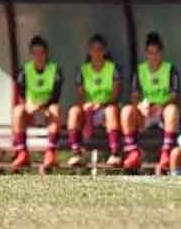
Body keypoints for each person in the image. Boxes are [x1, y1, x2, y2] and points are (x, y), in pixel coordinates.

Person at [119, 32, 181, 173]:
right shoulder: (139, 70)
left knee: (172, 110)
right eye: (150, 53)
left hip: (162, 112)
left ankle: (165, 154)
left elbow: (174, 95)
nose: (153, 57)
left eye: (156, 53)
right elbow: (134, 95)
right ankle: (133, 152)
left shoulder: (171, 69)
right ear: (146, 53)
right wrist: (140, 106)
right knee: (126, 110)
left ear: (161, 53)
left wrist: (160, 105)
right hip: (145, 112)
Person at [67, 34, 123, 168]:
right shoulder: (83, 70)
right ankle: (76, 154)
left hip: (106, 107)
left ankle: (115, 154)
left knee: (111, 110)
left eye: (100, 49)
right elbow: (80, 96)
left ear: (104, 51)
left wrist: (101, 104)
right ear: (89, 51)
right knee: (74, 111)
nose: (97, 53)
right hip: (89, 111)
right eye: (93, 49)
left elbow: (116, 94)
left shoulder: (112, 68)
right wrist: (86, 105)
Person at [11, 36, 63, 171]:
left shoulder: (55, 70)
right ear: (31, 54)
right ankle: (22, 152)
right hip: (31, 111)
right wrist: (29, 106)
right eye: (35, 53)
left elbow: (56, 95)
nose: (38, 56)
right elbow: (21, 94)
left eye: (41, 53)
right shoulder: (25, 70)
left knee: (56, 109)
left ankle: (50, 153)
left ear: (46, 54)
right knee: (17, 111)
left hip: (47, 111)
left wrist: (43, 106)